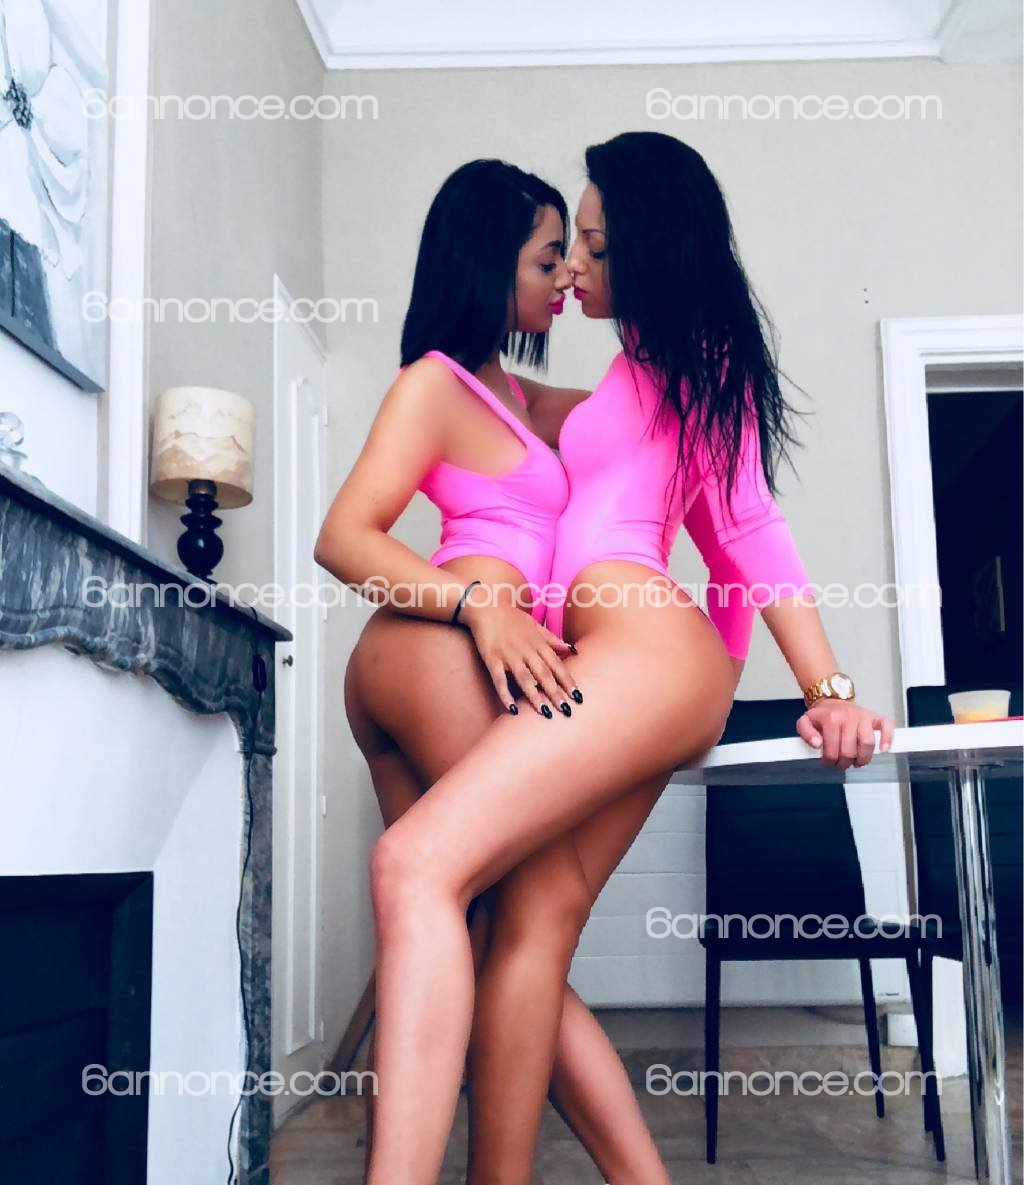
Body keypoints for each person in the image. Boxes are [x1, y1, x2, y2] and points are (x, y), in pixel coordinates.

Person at [316, 134, 895, 1184]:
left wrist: (827, 688)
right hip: (623, 660)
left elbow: (747, 529)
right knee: (531, 925)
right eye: (561, 248)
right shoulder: (622, 377)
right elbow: (492, 444)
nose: (575, 266)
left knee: (413, 864)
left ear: (648, 246)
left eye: (591, 244)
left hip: (644, 651)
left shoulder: (697, 357)